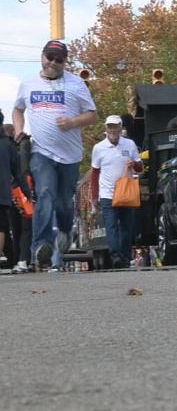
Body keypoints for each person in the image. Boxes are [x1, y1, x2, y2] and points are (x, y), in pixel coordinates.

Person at [12, 40, 97, 269]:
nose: (53, 62)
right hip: (41, 152)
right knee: (45, 193)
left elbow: (92, 115)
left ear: (64, 62)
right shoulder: (28, 83)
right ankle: (41, 247)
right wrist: (19, 130)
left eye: (59, 60)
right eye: (50, 57)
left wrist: (72, 122)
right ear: (42, 56)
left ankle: (66, 231)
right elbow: (18, 108)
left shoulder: (76, 84)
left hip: (70, 155)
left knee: (63, 205)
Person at [90, 115, 144, 268]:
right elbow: (95, 173)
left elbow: (140, 167)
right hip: (108, 195)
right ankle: (115, 256)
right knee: (111, 227)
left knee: (127, 228)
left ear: (121, 128)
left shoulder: (130, 144)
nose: (112, 130)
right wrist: (95, 196)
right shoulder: (99, 148)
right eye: (110, 127)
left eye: (115, 127)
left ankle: (125, 257)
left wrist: (134, 163)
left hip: (127, 193)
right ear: (106, 129)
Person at [0, 111, 31, 264]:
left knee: (8, 227)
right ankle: (15, 259)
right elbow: (20, 173)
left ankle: (14, 259)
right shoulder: (10, 146)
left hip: (7, 193)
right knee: (6, 227)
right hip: (8, 194)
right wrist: (29, 193)